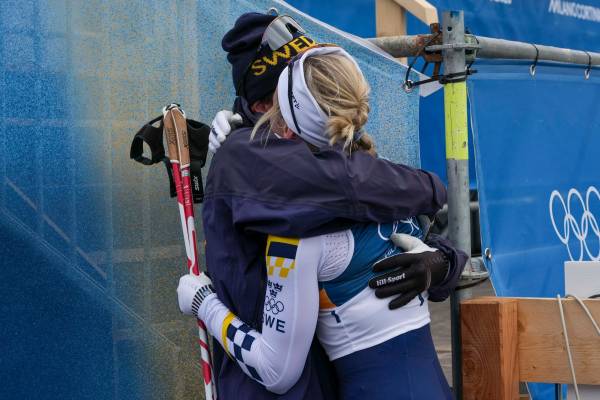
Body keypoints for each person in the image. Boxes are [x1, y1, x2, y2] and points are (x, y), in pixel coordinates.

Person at [191, 12, 466, 400]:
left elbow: (367, 210)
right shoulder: (257, 161)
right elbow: (356, 190)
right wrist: (432, 193)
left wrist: (442, 261)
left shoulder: (335, 171)